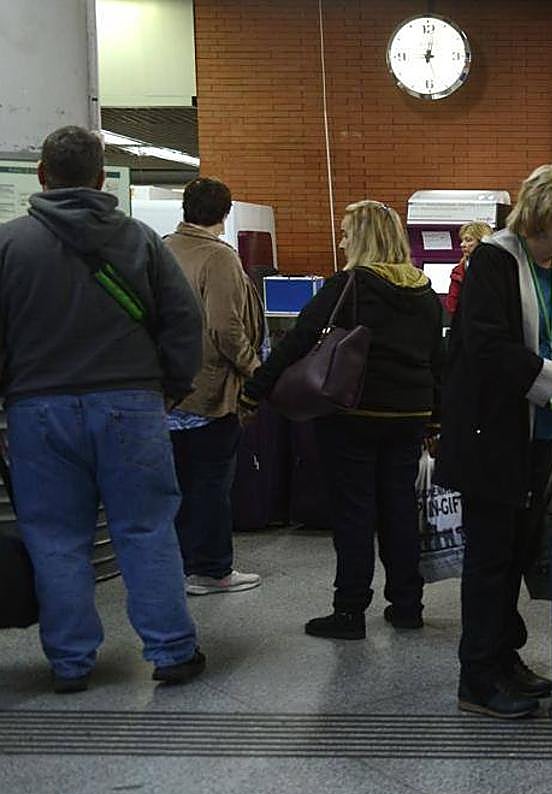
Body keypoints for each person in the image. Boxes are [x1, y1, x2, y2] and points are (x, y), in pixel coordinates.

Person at [0, 126, 205, 692]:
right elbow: (184, 320)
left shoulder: (9, 245)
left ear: (42, 174)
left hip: (37, 410)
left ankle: (70, 663)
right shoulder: (141, 241)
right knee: (146, 529)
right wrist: (171, 385)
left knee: (54, 537)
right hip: (131, 405)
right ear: (100, 179)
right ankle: (171, 650)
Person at [435, 161, 552, 718]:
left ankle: (505, 658)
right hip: (494, 437)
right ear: (545, 214)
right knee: (490, 560)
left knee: (516, 556)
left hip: (541, 436)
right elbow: (485, 346)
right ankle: (477, 677)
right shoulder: (494, 261)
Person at [241, 200, 443, 640]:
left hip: (354, 413)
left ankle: (349, 612)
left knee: (354, 514)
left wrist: (255, 389)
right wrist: (436, 418)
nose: (342, 242)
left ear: (365, 238)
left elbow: (298, 340)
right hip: (409, 415)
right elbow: (438, 358)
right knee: (399, 510)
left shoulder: (350, 284)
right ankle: (407, 605)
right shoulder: (425, 291)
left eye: (348, 233)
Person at [164, 176, 264, 597]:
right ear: (225, 213)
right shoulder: (219, 257)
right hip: (208, 391)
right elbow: (225, 327)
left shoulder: (163, 249)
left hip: (167, 392)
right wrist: (255, 369)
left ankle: (177, 566)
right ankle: (210, 570)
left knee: (177, 485)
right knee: (210, 484)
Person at [445, 221, 493, 316]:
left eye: (468, 240)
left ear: (482, 242)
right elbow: (451, 305)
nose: (462, 244)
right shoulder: (459, 271)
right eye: (462, 240)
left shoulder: (496, 270)